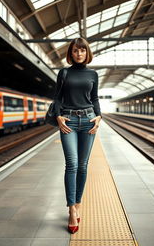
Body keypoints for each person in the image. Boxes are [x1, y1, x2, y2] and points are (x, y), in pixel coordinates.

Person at [53, 37, 102, 234]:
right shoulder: (64, 73)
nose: (79, 53)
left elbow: (95, 98)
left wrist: (99, 117)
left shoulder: (93, 74)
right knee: (72, 163)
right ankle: (72, 208)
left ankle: (78, 203)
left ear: (87, 52)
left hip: (89, 121)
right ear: (71, 53)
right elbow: (57, 97)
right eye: (75, 51)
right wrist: (58, 116)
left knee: (82, 165)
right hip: (69, 122)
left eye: (82, 50)